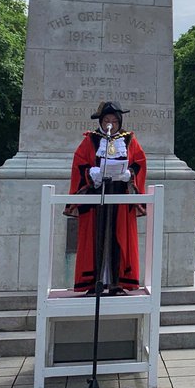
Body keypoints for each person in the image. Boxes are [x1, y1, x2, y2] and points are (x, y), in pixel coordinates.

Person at [64, 101, 147, 294]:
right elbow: (79, 163)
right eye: (107, 120)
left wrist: (130, 174)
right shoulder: (90, 140)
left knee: (119, 237)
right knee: (96, 237)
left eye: (114, 121)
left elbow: (140, 162)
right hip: (96, 195)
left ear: (120, 122)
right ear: (101, 122)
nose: (111, 124)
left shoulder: (129, 140)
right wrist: (91, 173)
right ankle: (95, 282)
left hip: (120, 196)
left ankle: (116, 282)